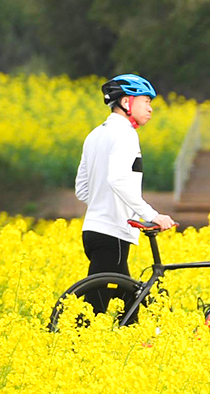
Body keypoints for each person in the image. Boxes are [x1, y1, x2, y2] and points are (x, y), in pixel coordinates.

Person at [75, 74, 176, 312]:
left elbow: (82, 189)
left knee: (130, 301)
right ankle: (71, 345)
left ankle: (132, 342)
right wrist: (152, 215)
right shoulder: (126, 134)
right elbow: (118, 180)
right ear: (127, 102)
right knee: (94, 307)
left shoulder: (94, 135)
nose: (151, 108)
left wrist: (103, 203)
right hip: (113, 233)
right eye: (146, 101)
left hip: (93, 230)